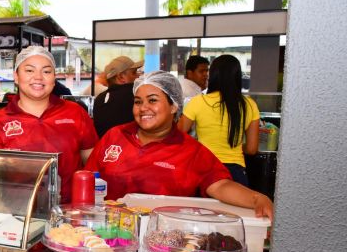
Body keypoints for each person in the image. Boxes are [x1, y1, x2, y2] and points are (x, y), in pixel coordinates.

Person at [85, 71, 273, 220]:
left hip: (164, 244)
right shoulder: (115, 136)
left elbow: (220, 185)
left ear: (174, 106)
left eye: (152, 100)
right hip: (108, 237)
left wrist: (257, 199)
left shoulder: (191, 151)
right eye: (138, 102)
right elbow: (88, 179)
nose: (143, 108)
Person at [0, 46, 97, 203]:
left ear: (54, 78)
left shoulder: (75, 113)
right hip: (17, 212)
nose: (38, 77)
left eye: (46, 71)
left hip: (69, 210)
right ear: (16, 76)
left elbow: (92, 163)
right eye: (29, 71)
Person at [179, 55, 260, 186]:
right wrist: (235, 147)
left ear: (213, 75)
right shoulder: (250, 105)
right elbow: (251, 149)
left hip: (203, 169)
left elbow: (178, 134)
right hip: (235, 172)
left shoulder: (198, 102)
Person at [92, 55, 144, 137]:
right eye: (134, 73)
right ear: (121, 77)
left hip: (106, 147)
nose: (138, 76)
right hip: (131, 147)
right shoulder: (135, 96)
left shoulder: (99, 99)